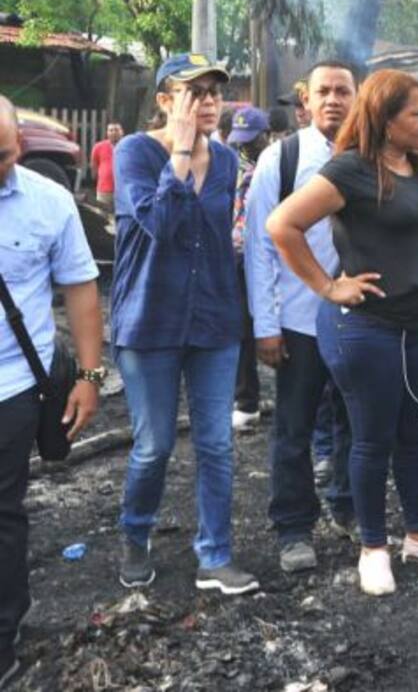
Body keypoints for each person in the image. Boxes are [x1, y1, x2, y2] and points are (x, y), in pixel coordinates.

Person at [267, 69, 418, 595]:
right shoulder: (351, 170)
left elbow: (405, 228)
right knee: (371, 440)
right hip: (365, 330)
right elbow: (282, 225)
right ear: (385, 122)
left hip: (416, 328)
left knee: (417, 435)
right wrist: (327, 286)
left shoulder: (414, 166)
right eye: (417, 114)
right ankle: (373, 548)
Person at [110, 53, 258, 595]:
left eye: (215, 91)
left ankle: (215, 555)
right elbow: (161, 225)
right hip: (149, 322)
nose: (209, 101)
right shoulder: (134, 153)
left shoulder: (225, 162)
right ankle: (135, 534)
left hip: (213, 322)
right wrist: (178, 151)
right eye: (194, 92)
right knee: (154, 446)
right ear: (165, 102)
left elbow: (224, 242)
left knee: (217, 443)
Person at [0, 95, 103, 688]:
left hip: (13, 389)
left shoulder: (49, 203)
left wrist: (89, 378)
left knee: (3, 514)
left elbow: (82, 289)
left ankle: (3, 636)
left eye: (6, 154)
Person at [245, 62, 357, 573]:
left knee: (356, 424)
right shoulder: (282, 158)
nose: (334, 100)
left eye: (343, 91)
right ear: (305, 101)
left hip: (359, 320)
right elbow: (260, 248)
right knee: (293, 428)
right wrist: (265, 325)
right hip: (299, 321)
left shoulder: (372, 156)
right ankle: (293, 529)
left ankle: (347, 506)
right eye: (324, 92)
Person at [227, 107, 271, 430]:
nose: (244, 147)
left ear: (265, 137)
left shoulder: (278, 165)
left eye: (251, 141)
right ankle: (246, 400)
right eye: (240, 141)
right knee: (241, 327)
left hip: (273, 256)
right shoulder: (233, 166)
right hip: (238, 256)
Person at [90, 122, 123, 207]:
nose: (113, 132)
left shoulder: (128, 146)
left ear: (122, 132)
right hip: (104, 190)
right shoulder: (98, 147)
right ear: (107, 133)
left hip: (123, 190)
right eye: (111, 130)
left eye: (116, 130)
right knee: (102, 216)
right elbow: (94, 166)